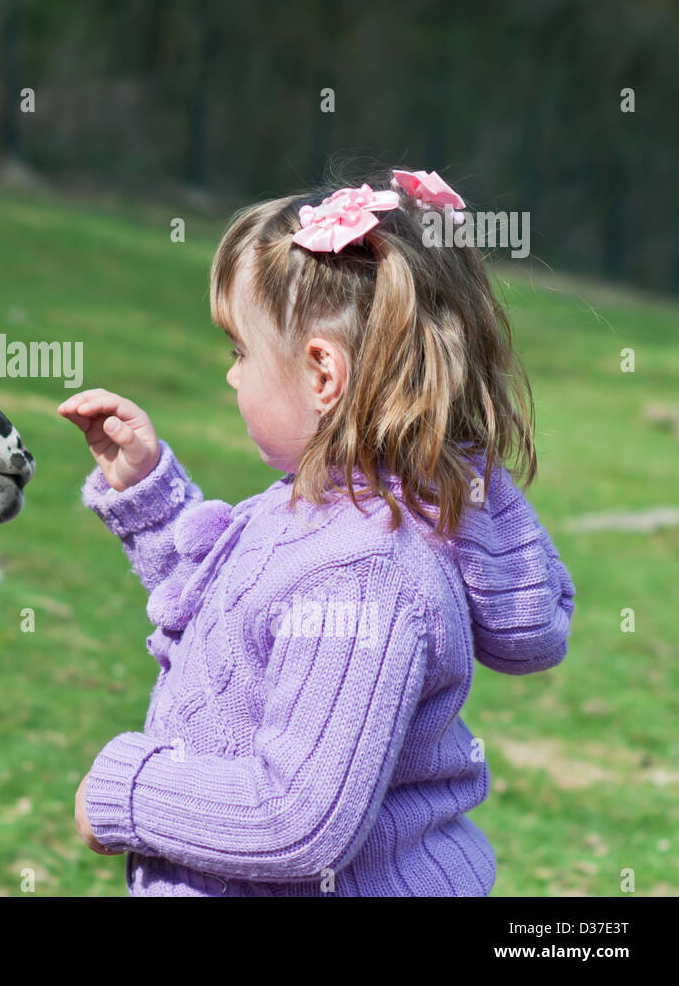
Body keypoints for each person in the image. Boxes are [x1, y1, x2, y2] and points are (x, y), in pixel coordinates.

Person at [58, 169, 576, 896]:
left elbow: (295, 818)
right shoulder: (317, 510)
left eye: (240, 351)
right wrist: (148, 495)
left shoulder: (363, 574)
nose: (232, 378)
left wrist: (122, 795)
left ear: (323, 374)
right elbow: (229, 625)